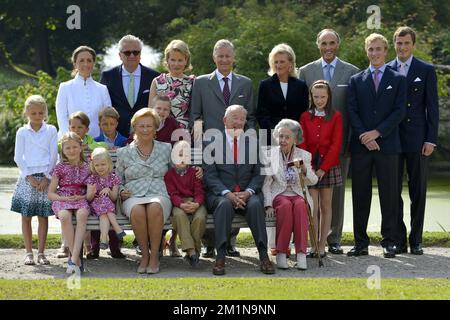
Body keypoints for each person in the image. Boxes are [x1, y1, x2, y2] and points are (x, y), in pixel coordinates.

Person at [190, 39, 256, 258]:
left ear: (233, 58)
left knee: (237, 187)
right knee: (215, 191)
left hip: (237, 147)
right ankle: (211, 243)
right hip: (211, 147)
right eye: (221, 56)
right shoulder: (200, 82)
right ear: (214, 57)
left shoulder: (245, 83)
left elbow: (251, 117)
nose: (224, 60)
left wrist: (248, 142)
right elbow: (195, 116)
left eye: (228, 56)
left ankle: (231, 242)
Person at [298, 29, 359, 255]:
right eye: (324, 43)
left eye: (332, 42)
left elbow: (353, 109)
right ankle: (311, 239)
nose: (328, 47)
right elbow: (302, 109)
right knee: (311, 201)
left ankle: (333, 238)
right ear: (318, 44)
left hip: (339, 146)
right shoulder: (305, 71)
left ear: (338, 44)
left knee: (335, 197)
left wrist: (351, 143)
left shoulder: (352, 72)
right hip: (310, 150)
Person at [347, 33, 407, 259]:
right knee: (360, 195)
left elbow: (399, 111)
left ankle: (389, 241)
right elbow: (352, 110)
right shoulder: (356, 79)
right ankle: (360, 243)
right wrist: (364, 135)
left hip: (388, 146)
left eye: (379, 49)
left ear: (386, 51)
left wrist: (377, 133)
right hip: (361, 147)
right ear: (366, 51)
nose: (375, 53)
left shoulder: (398, 78)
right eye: (371, 49)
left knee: (389, 196)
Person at [203, 105, 275, 275]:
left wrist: (248, 191)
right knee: (224, 206)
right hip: (220, 195)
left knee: (256, 204)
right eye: (234, 118)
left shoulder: (254, 142)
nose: (238, 122)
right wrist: (227, 194)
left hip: (247, 193)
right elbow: (210, 176)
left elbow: (259, 174)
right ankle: (220, 257)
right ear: (225, 120)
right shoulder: (210, 143)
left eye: (242, 119)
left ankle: (263, 255)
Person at [387, 27, 439, 255]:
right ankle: (399, 239)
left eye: (406, 43)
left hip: (418, 140)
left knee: (418, 190)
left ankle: (416, 239)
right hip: (392, 139)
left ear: (413, 44)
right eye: (398, 43)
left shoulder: (425, 69)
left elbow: (432, 108)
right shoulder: (386, 69)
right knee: (392, 190)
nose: (402, 47)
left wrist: (431, 139)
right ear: (394, 44)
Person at [115, 108, 172, 274]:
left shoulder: (166, 149)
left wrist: (196, 171)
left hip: (159, 192)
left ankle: (154, 255)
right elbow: (117, 179)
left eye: (149, 126)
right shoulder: (123, 152)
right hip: (133, 195)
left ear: (155, 128)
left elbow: (179, 172)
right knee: (137, 210)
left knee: (155, 207)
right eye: (141, 126)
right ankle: (144, 255)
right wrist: (121, 190)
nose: (145, 129)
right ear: (134, 128)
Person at [262, 119, 318, 270]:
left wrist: (305, 169)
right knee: (285, 205)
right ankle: (281, 252)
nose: (283, 140)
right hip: (278, 194)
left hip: (298, 193)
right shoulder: (269, 155)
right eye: (281, 136)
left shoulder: (304, 155)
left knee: (301, 205)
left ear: (295, 139)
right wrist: (267, 205)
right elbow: (266, 184)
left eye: (287, 137)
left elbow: (313, 180)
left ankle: (301, 254)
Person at [10, 95, 58, 266]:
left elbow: (54, 156)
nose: (37, 116)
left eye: (40, 113)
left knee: (43, 216)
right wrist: (29, 177)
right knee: (26, 216)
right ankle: (28, 252)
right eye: (33, 113)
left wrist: (47, 177)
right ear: (27, 113)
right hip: (27, 178)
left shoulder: (51, 130)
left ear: (45, 112)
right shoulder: (22, 132)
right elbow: (18, 157)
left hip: (46, 177)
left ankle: (41, 253)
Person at [299, 80, 343, 258]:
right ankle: (313, 245)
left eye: (323, 97)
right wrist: (308, 169)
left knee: (326, 206)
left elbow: (336, 144)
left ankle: (323, 245)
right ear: (311, 97)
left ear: (328, 97)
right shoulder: (304, 116)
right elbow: (301, 142)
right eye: (316, 97)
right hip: (310, 166)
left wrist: (323, 169)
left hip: (328, 166)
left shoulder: (336, 116)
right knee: (313, 207)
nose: (319, 100)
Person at [48, 132, 91, 273]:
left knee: (82, 214)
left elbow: (91, 192)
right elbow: (51, 193)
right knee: (65, 217)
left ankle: (73, 260)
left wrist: (82, 197)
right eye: (68, 148)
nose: (71, 151)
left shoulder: (88, 167)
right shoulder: (60, 167)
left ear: (80, 147)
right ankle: (76, 258)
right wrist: (64, 199)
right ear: (63, 150)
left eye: (74, 147)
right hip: (63, 197)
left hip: (81, 197)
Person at [101, 35, 160, 137]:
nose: (132, 56)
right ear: (120, 55)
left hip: (145, 134)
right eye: (127, 53)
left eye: (136, 52)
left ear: (140, 54)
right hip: (116, 135)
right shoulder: (108, 76)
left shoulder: (154, 77)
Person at [164, 140, 207, 267]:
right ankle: (193, 251)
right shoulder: (169, 175)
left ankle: (191, 253)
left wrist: (197, 204)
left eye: (187, 156)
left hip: (195, 202)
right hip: (179, 204)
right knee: (179, 216)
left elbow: (199, 192)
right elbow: (172, 194)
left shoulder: (195, 173)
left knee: (200, 217)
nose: (183, 159)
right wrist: (181, 205)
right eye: (180, 155)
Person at [56, 46, 111, 139]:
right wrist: (71, 139)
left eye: (89, 60)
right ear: (75, 64)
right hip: (70, 145)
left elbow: (108, 117)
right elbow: (62, 117)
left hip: (97, 141)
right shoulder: (65, 87)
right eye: (81, 60)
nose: (85, 64)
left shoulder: (102, 89)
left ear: (93, 63)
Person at [257, 43, 308, 141]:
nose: (278, 65)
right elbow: (262, 114)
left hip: (295, 139)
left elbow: (304, 114)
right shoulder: (265, 85)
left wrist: (293, 135)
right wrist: (276, 135)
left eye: (282, 62)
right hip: (270, 138)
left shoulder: (301, 86)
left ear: (290, 64)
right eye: (275, 62)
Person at [86, 147, 126, 250]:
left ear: (109, 164)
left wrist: (109, 190)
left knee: (104, 212)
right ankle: (117, 228)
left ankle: (103, 239)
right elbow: (89, 199)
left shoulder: (114, 178)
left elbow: (113, 198)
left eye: (103, 164)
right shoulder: (92, 179)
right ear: (93, 166)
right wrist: (93, 192)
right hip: (95, 207)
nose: (100, 167)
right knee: (104, 203)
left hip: (108, 209)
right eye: (97, 165)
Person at [149, 39, 194, 128]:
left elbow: (196, 113)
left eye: (180, 60)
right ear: (167, 60)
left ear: (186, 61)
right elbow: (151, 111)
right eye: (173, 60)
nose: (176, 64)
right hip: (160, 132)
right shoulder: (157, 81)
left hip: (184, 133)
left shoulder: (193, 82)